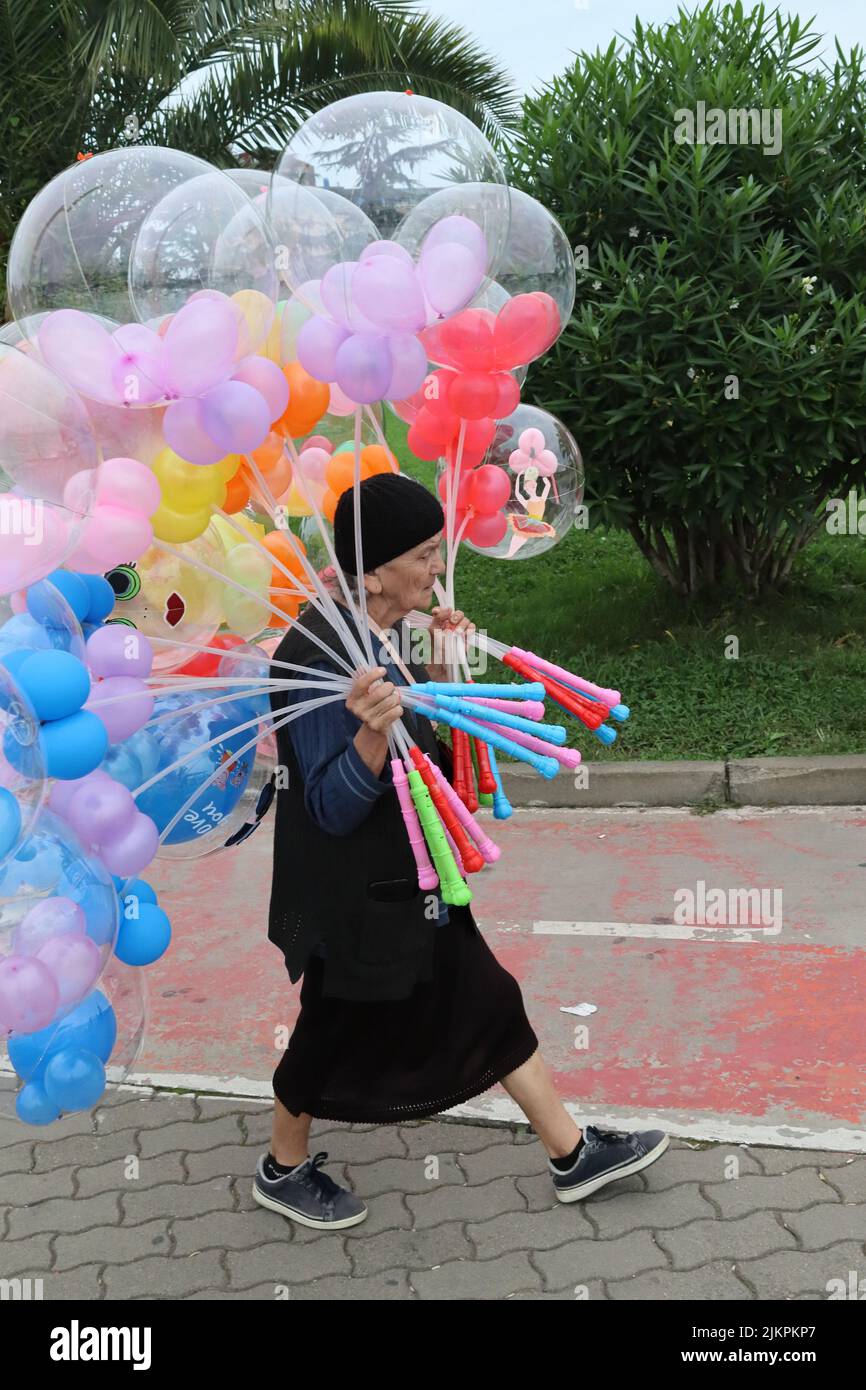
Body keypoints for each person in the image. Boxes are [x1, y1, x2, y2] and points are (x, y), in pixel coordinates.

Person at [253, 472, 668, 1230]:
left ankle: (572, 1154)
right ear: (372, 570)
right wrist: (371, 731)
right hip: (352, 889)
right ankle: (281, 1167)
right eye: (425, 554)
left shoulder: (379, 634)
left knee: (486, 998)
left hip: (410, 870)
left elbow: (431, 756)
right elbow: (328, 807)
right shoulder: (314, 655)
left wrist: (441, 668)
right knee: (332, 1023)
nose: (438, 569)